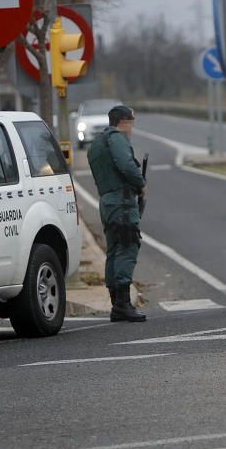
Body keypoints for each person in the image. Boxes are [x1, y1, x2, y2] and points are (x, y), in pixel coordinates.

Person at [87, 105, 147, 322]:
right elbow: (127, 166)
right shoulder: (117, 139)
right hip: (122, 203)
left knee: (114, 249)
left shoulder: (97, 143)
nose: (132, 126)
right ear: (124, 121)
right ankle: (122, 304)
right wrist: (140, 184)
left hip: (107, 201)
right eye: (132, 120)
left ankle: (116, 303)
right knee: (127, 246)